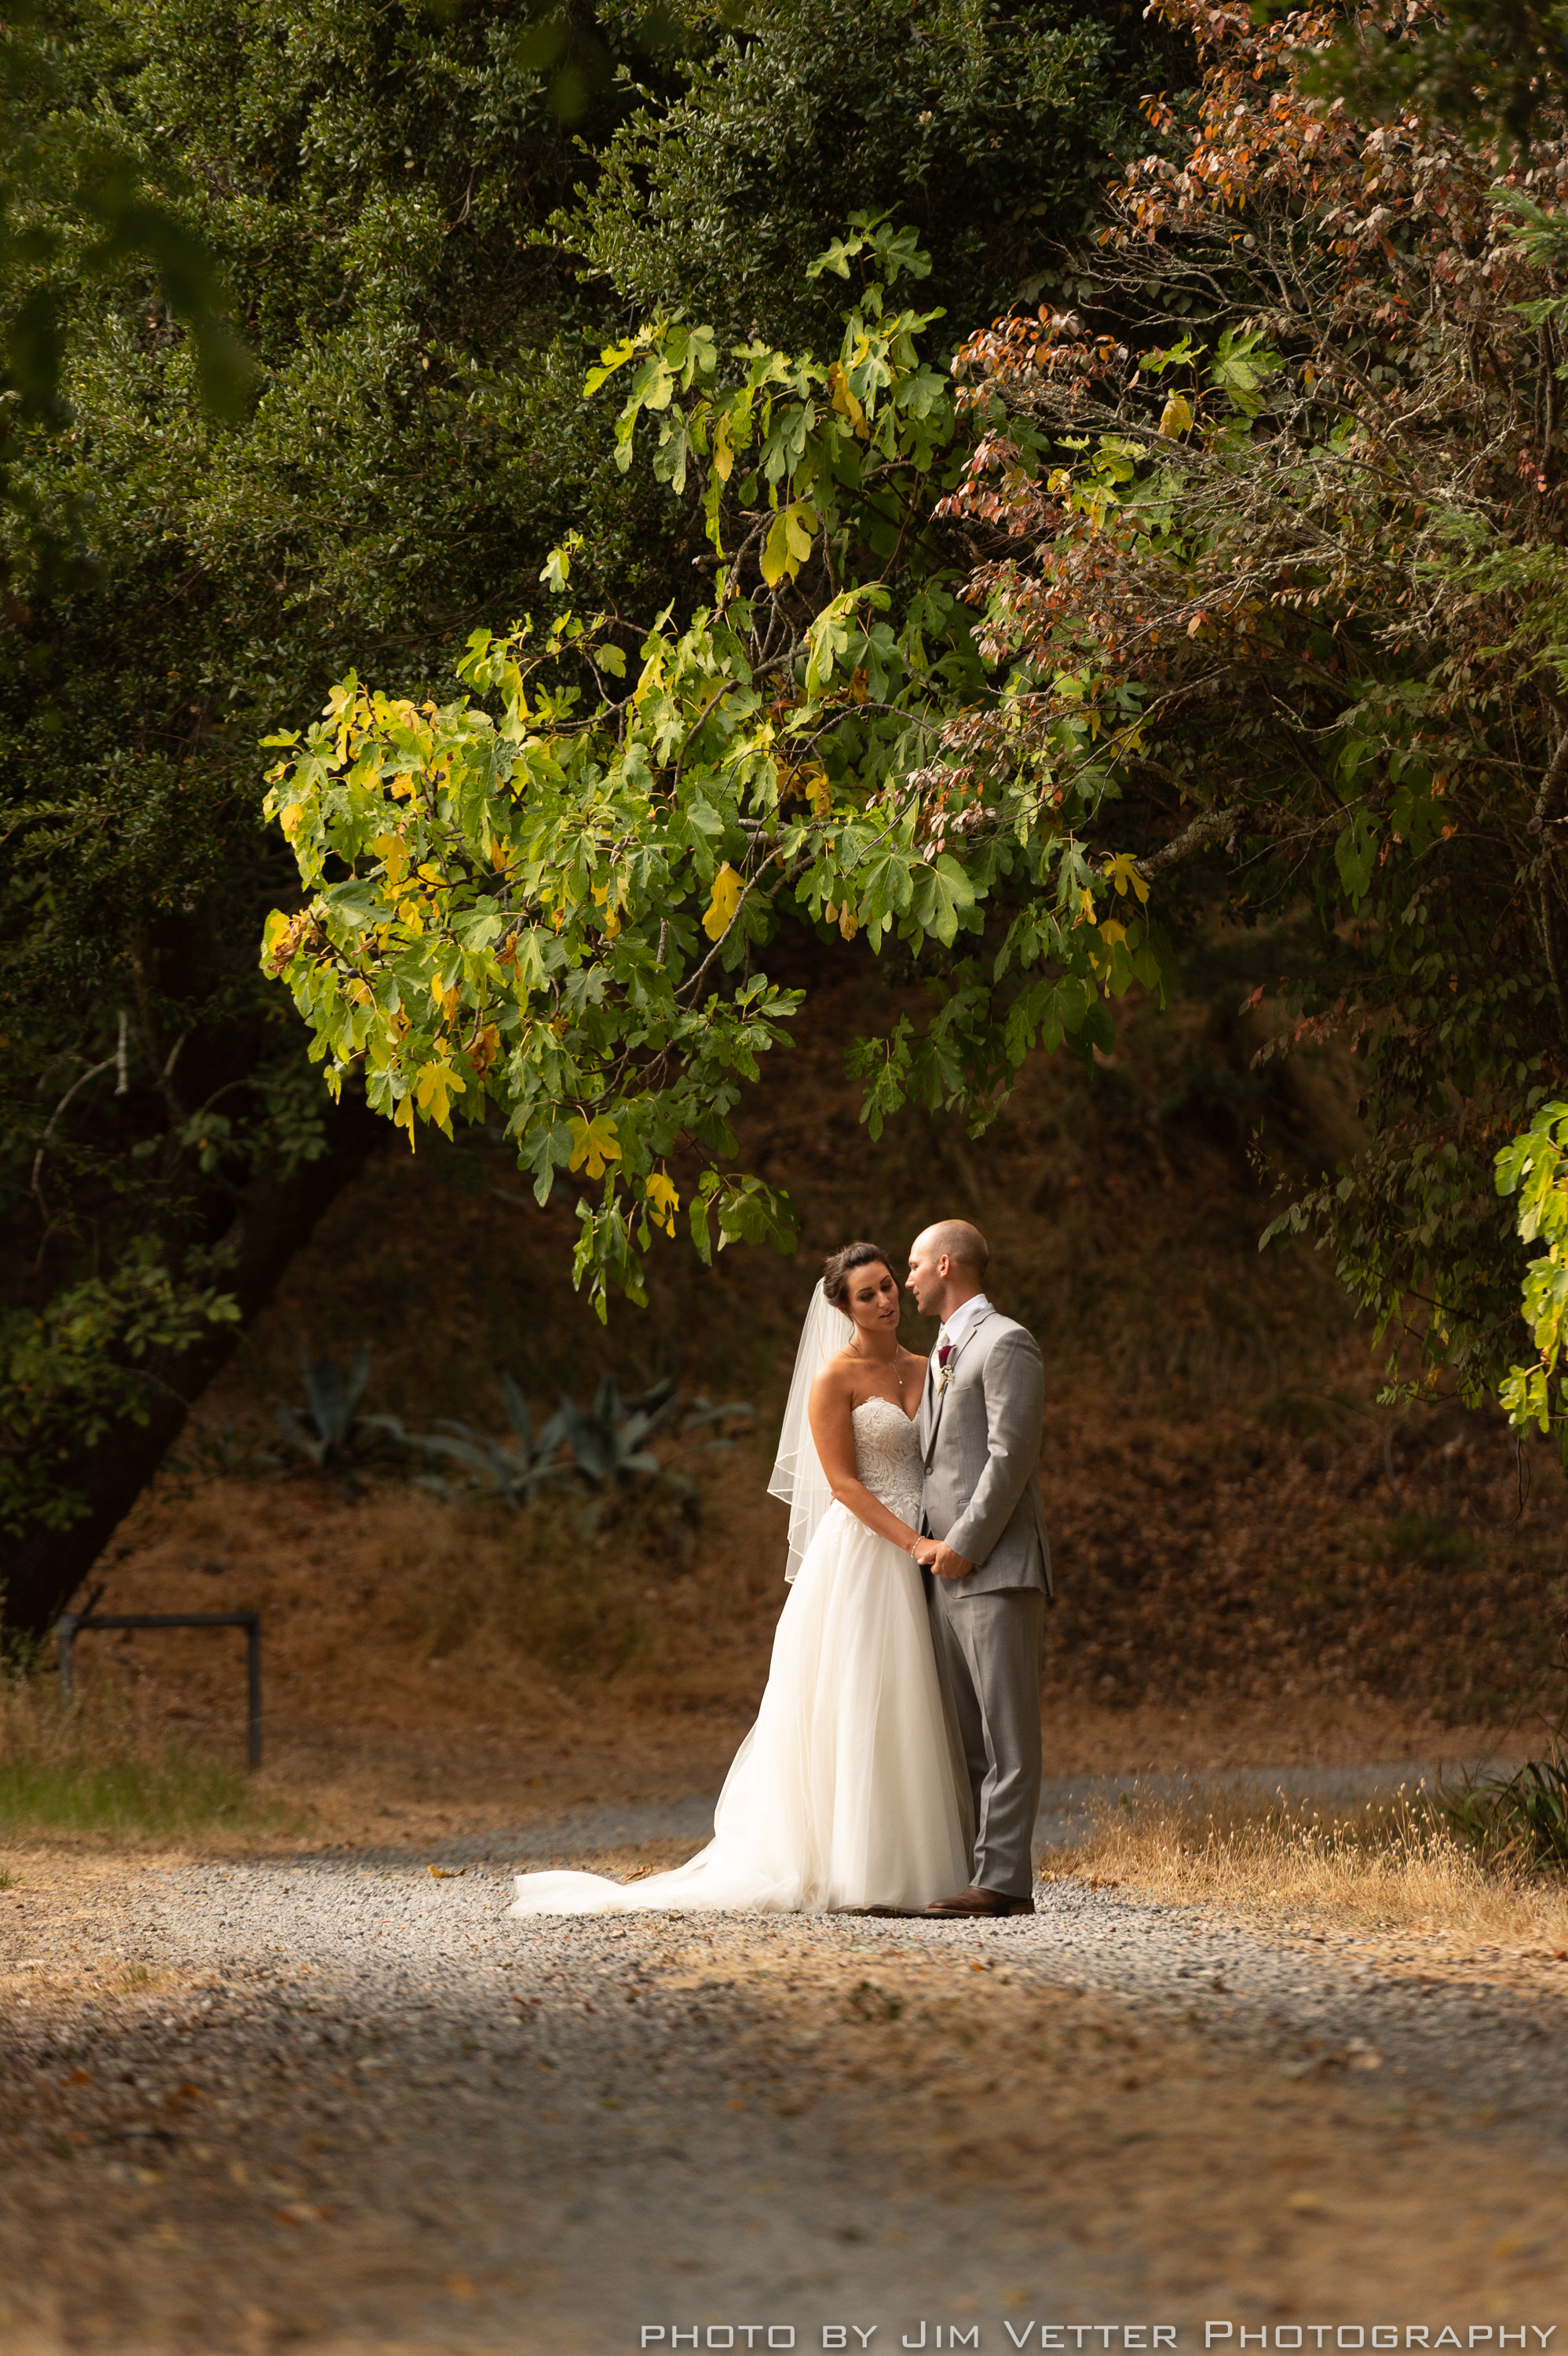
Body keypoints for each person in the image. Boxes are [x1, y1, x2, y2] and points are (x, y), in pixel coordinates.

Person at [506, 1241, 972, 1917]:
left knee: (913, 1698)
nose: (884, 1300)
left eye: (886, 1287)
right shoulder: (833, 1378)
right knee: (863, 1692)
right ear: (842, 1308)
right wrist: (912, 1541)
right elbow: (841, 1483)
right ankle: (859, 1869)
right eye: (865, 1294)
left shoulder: (926, 1367)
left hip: (925, 1548)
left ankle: (919, 1862)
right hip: (869, 1553)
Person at [906, 1220, 1052, 1919]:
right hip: (941, 1568)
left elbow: (1009, 1456)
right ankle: (968, 1874)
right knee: (962, 1737)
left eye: (911, 1267)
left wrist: (964, 1542)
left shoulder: (1005, 1342)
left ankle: (1003, 1884)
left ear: (944, 1265)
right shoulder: (941, 1349)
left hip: (993, 1563)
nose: (904, 1281)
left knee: (1007, 1735)